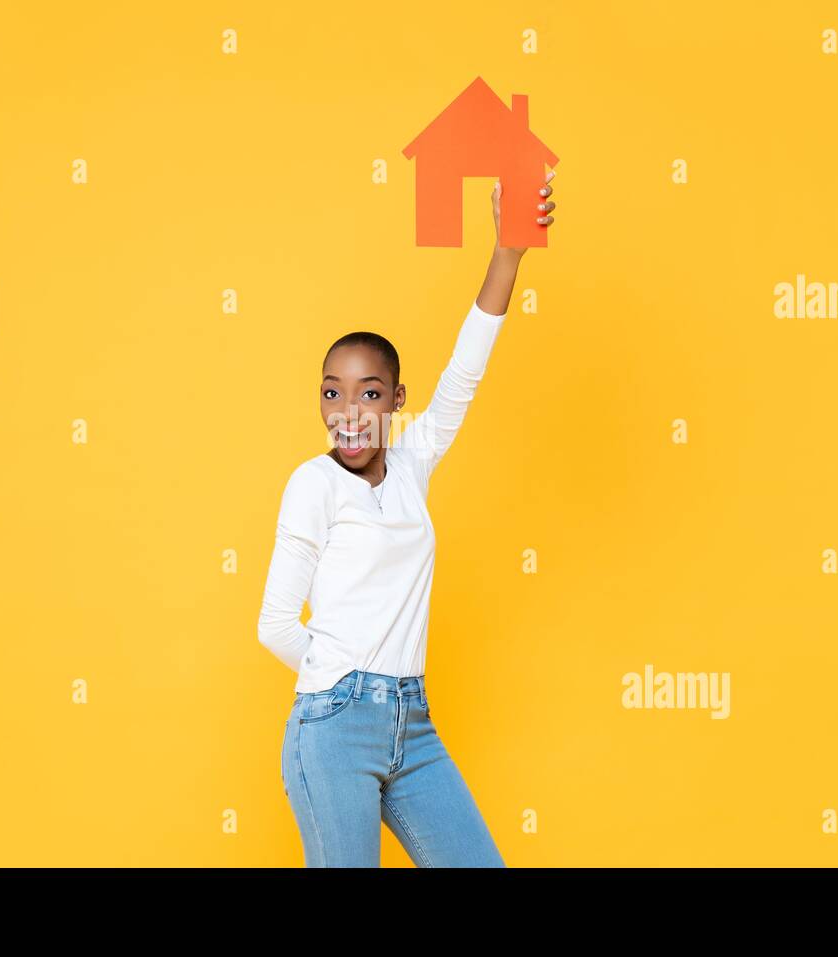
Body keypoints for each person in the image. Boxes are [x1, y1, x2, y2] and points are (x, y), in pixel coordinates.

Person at [257, 173, 558, 866]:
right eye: (333, 392)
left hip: (412, 726)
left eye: (369, 391)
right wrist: (342, 684)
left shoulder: (414, 462)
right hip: (333, 730)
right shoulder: (313, 484)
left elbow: (465, 372)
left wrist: (507, 254)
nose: (349, 410)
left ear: (396, 398)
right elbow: (274, 623)